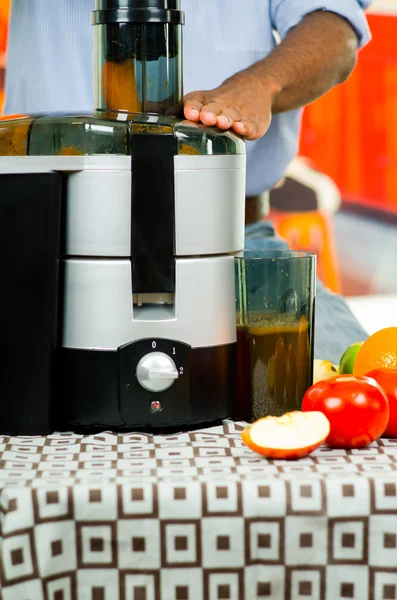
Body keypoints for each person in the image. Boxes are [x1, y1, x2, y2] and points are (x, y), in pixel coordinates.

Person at [3, 0, 372, 363]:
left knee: (362, 387)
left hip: (233, 249)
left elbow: (334, 28)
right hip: (39, 251)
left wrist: (262, 83)